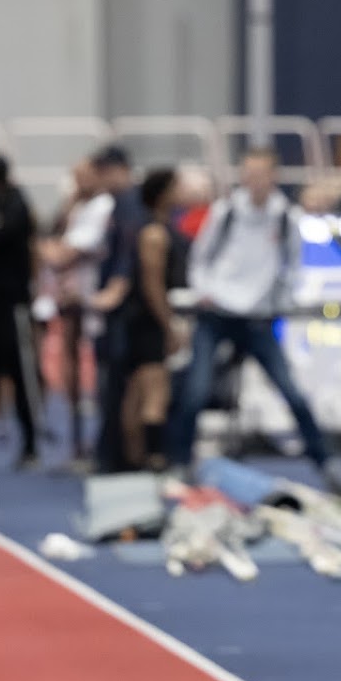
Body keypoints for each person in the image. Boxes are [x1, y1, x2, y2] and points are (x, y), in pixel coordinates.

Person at [169, 147, 328, 471]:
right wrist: (205, 292)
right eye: (249, 174)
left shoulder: (285, 217)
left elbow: (293, 266)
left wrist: (280, 301)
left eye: (260, 174)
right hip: (216, 316)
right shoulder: (226, 212)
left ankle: (325, 460)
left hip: (257, 319)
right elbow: (200, 258)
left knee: (291, 391)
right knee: (196, 391)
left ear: (273, 176)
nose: (254, 180)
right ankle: (180, 461)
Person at [37, 157, 113, 462]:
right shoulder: (77, 207)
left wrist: (47, 250)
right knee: (69, 364)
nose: (79, 182)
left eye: (83, 176)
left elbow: (63, 254)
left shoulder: (104, 207)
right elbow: (55, 245)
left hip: (94, 297)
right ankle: (76, 438)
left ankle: (103, 440)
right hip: (69, 297)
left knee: (102, 366)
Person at [121, 168, 186, 471]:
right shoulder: (154, 234)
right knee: (155, 392)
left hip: (142, 320)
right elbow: (152, 285)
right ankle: (153, 458)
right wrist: (168, 324)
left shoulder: (155, 228)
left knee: (137, 392)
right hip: (148, 322)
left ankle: (134, 458)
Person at [89, 144, 146, 472]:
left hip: (127, 314)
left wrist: (116, 287)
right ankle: (111, 454)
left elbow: (129, 251)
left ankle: (117, 458)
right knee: (112, 385)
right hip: (118, 313)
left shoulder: (130, 205)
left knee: (119, 385)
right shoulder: (117, 204)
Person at [0, 155, 40, 466]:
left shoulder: (16, 203)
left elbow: (6, 232)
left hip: (13, 304)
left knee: (22, 372)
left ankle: (31, 442)